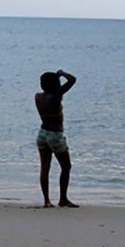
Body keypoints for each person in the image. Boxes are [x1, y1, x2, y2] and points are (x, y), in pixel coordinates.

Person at [34, 69, 78, 208]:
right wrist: (62, 73)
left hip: (42, 134)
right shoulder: (56, 96)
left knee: (45, 168)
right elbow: (72, 80)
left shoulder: (38, 97)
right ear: (55, 85)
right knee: (66, 166)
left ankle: (47, 201)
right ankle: (63, 199)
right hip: (55, 135)